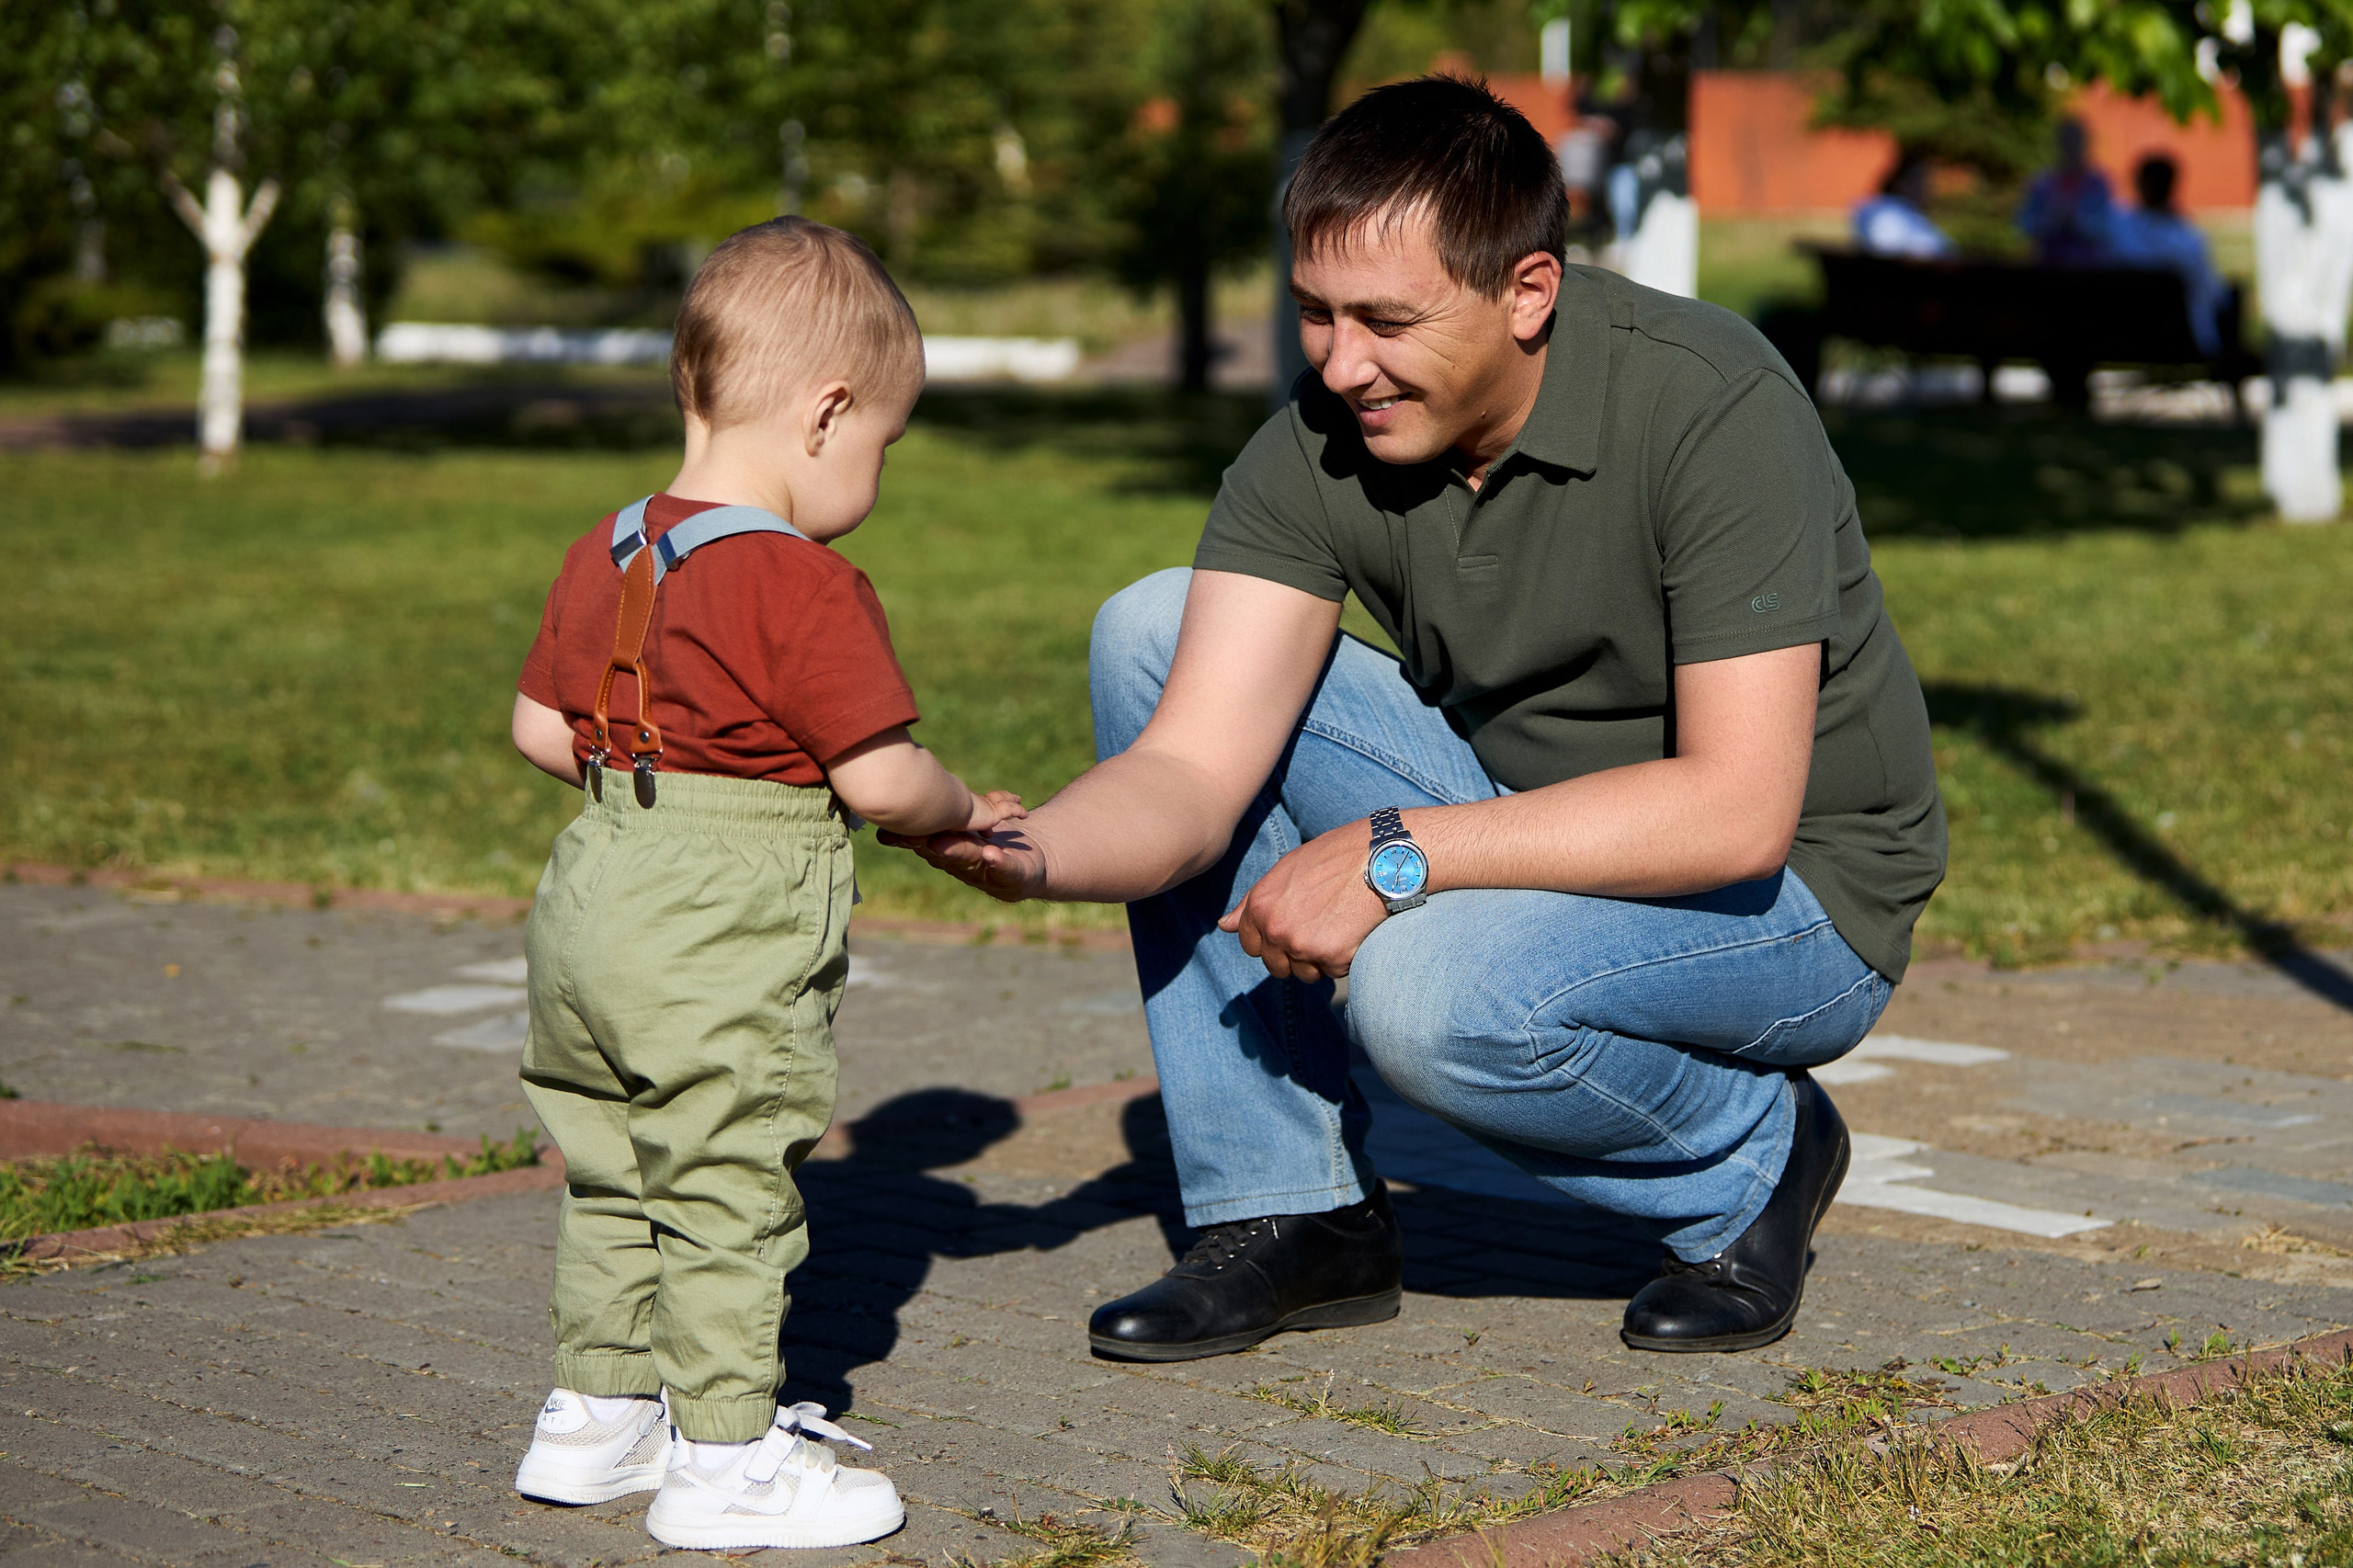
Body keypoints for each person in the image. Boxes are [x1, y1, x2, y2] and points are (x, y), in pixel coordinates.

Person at [889, 78, 1945, 1362]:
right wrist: (1032, 851)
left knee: (1427, 995)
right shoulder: (1328, 434)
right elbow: (1190, 766)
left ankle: (1753, 1156)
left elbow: (1735, 813)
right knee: (1153, 627)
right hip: (1526, 820)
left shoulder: (1710, 402)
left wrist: (1397, 856)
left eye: (1387, 321)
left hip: (1792, 895)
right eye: (1315, 312)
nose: (1340, 364)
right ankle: (1293, 1212)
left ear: (1528, 291)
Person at [505, 218, 1021, 1550]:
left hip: (592, 891)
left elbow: (538, 731)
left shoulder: (608, 545)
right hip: (721, 918)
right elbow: (882, 780)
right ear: (826, 411)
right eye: (882, 443)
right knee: (725, 1178)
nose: (875, 472)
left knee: (613, 1162)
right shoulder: (802, 581)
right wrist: (966, 810)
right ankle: (726, 1455)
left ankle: (594, 1414)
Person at [2108, 153, 2227, 358]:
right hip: (2183, 341)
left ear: (2141, 184)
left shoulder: (2117, 231)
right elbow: (2216, 295)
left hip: (2121, 339)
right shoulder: (2189, 239)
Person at [2019, 118, 2116, 265]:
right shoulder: (2043, 183)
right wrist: (2052, 218)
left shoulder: (2097, 184)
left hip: (2087, 262)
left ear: (2084, 145)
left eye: (2075, 142)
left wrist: (2076, 221)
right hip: (2049, 260)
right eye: (2066, 142)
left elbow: (2107, 226)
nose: (2071, 148)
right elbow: (2025, 223)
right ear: (2059, 144)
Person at [1853, 154, 1957, 258]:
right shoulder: (1886, 212)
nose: (1927, 187)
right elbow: (1887, 250)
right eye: (1919, 180)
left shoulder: (1910, 212)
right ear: (1902, 182)